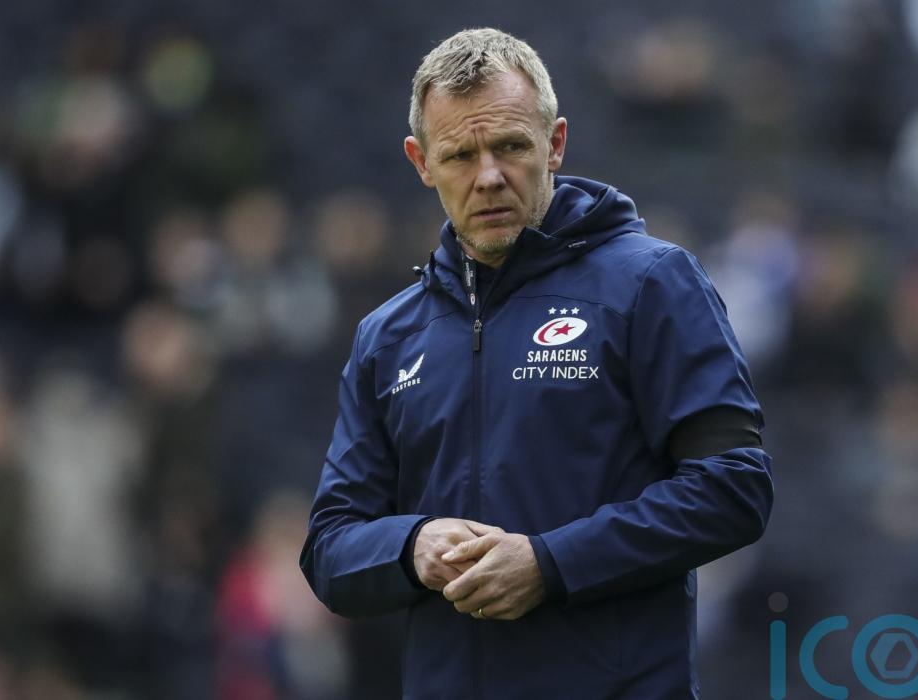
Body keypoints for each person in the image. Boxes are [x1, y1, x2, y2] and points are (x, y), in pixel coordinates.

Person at [299, 27, 774, 699]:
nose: (489, 176)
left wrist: (549, 565)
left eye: (511, 146)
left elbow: (733, 489)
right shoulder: (387, 337)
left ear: (555, 143)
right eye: (460, 155)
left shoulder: (652, 284)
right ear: (421, 162)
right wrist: (412, 545)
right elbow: (329, 549)